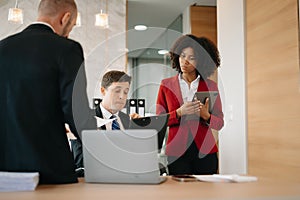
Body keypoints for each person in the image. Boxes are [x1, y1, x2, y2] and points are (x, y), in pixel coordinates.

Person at [0, 0, 96, 184]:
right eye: (72, 25)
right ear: (65, 17)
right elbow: (76, 112)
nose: (69, 33)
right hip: (49, 167)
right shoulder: (67, 49)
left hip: (5, 168)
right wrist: (102, 148)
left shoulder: (2, 47)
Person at [156, 34, 224, 175]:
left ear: (201, 61)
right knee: (179, 194)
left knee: (206, 194)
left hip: (205, 152)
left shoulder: (211, 86)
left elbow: (219, 123)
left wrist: (206, 115)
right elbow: (159, 121)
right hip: (177, 152)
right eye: (182, 55)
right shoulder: (166, 85)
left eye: (191, 58)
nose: (185, 61)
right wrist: (179, 112)